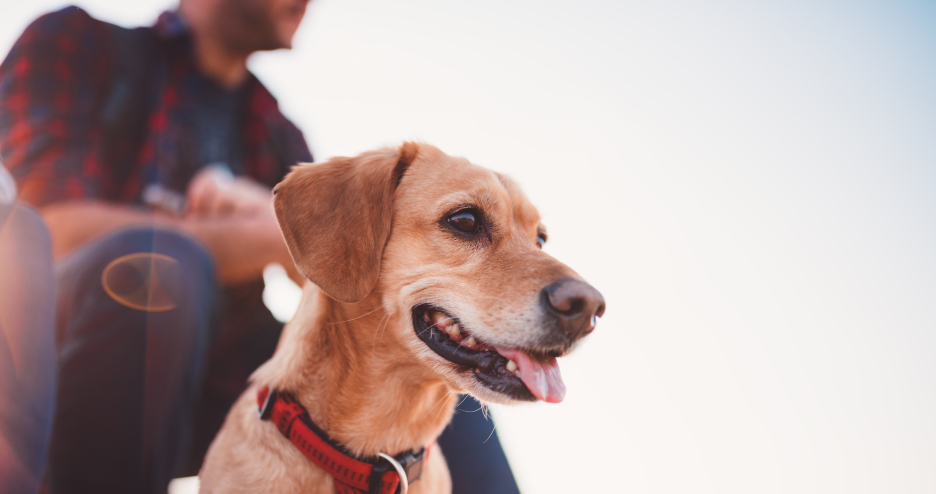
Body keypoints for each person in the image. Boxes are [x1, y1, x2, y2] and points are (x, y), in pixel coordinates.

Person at [0, 1, 520, 493]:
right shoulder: (76, 42)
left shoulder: (274, 129)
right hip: (68, 370)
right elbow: (45, 232)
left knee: (411, 350)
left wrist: (262, 210)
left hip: (228, 381)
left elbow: (344, 278)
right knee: (159, 271)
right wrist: (262, 233)